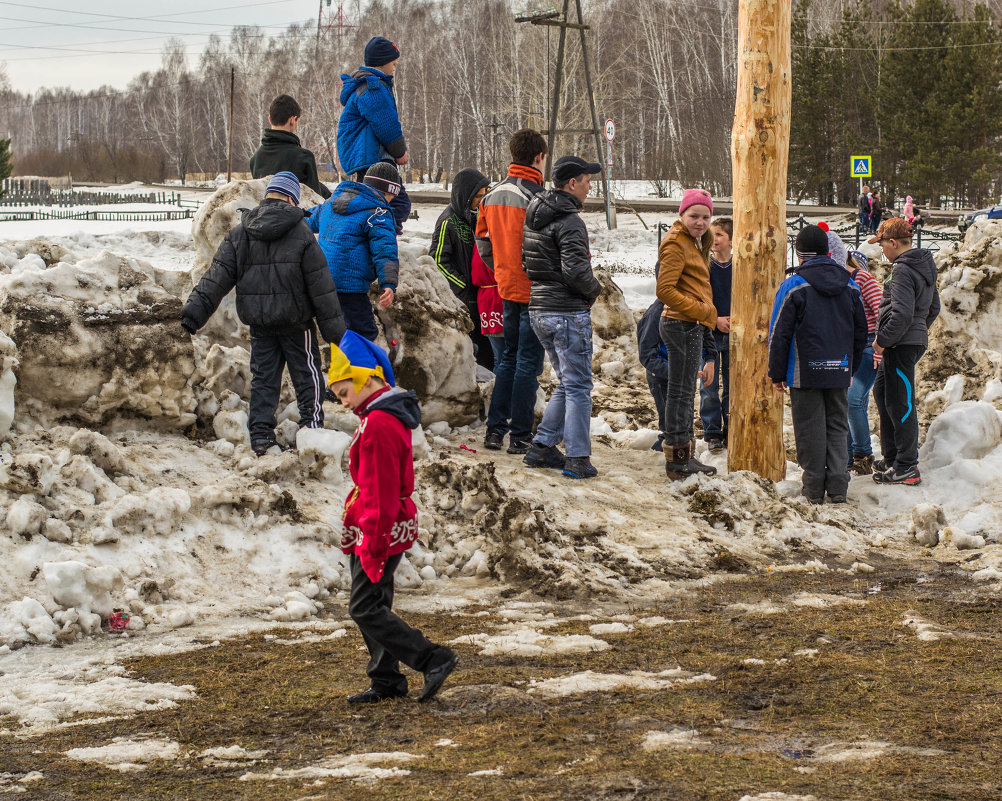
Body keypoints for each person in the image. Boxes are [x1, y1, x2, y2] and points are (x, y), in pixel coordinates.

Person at [328, 331, 458, 704]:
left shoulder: (380, 425)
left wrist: (374, 542)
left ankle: (433, 658)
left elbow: (381, 492)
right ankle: (386, 680)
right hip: (375, 522)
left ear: (365, 378)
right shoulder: (379, 417)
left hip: (379, 524)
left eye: (344, 392)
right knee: (374, 604)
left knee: (364, 607)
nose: (343, 402)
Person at [181, 172, 345, 456]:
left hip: (260, 324)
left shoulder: (240, 234)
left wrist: (190, 317)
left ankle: (260, 436)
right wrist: (337, 337)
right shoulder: (301, 232)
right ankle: (312, 428)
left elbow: (215, 280)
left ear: (267, 196)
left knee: (264, 380)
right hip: (297, 324)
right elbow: (322, 288)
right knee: (307, 375)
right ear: (293, 199)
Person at [768, 224, 867, 504]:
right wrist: (851, 366)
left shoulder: (793, 286)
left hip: (804, 372)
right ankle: (838, 487)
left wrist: (776, 373)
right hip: (840, 369)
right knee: (837, 425)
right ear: (827, 251)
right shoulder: (850, 284)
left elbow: (779, 333)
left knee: (809, 427)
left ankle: (813, 488)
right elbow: (861, 331)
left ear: (799, 255)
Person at [521, 155, 603, 479]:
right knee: (579, 385)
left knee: (568, 383)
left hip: (539, 309)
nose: (590, 185)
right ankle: (578, 458)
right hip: (567, 312)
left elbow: (525, 264)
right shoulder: (570, 221)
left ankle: (542, 447)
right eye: (586, 180)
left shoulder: (535, 215)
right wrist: (594, 291)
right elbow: (576, 272)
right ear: (572, 184)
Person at [477, 129, 547, 454]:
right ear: (539, 158)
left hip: (506, 286)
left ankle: (495, 431)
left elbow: (482, 242)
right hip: (533, 290)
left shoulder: (490, 195)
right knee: (528, 363)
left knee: (507, 358)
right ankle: (520, 435)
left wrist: (501, 269)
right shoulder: (536, 197)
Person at [869, 218, 941, 485]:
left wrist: (882, 341)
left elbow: (900, 314)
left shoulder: (901, 269)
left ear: (894, 243)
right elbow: (933, 308)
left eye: (883, 245)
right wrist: (919, 331)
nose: (881, 252)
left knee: (901, 401)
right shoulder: (922, 266)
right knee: (883, 392)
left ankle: (907, 465)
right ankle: (893, 457)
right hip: (909, 340)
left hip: (899, 343)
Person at [657, 188, 719, 480]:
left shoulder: (693, 243)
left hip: (689, 323)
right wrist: (702, 311)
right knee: (680, 393)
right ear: (681, 215)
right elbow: (664, 290)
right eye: (694, 215)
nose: (701, 221)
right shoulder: (675, 243)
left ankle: (683, 456)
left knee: (683, 393)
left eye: (706, 217)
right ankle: (678, 459)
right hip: (681, 323)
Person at [306, 162, 401, 342]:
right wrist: (388, 283)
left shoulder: (329, 204)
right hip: (351, 286)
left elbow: (305, 219)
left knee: (337, 333)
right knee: (364, 334)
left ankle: (342, 365)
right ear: (389, 192)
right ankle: (359, 369)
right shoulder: (378, 212)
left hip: (323, 281)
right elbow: (385, 250)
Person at [337, 36, 412, 235]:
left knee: (379, 202)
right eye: (393, 63)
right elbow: (386, 124)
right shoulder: (373, 88)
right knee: (398, 202)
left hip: (367, 158)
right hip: (373, 158)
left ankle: (377, 236)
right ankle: (380, 237)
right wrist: (400, 151)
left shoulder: (368, 86)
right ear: (383, 62)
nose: (395, 67)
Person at [430, 167, 491, 368]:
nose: (480, 201)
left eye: (483, 196)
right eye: (477, 196)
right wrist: (463, 285)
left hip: (480, 296)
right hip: (462, 298)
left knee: (486, 349)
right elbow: (438, 260)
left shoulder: (476, 216)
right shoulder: (448, 221)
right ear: (465, 195)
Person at [844, 249, 883, 475]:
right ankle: (848, 455)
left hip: (870, 344)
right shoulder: (843, 281)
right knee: (848, 399)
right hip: (853, 346)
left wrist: (880, 345)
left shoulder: (862, 278)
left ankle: (862, 455)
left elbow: (882, 311)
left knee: (852, 398)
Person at [249, 94, 331, 200]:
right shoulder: (304, 157)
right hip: (294, 215)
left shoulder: (255, 159)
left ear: (269, 119)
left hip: (263, 214)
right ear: (292, 120)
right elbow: (315, 200)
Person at [699, 217, 732, 452]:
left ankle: (732, 428)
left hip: (734, 332)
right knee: (709, 386)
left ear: (731, 239)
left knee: (733, 385)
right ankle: (712, 431)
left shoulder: (739, 266)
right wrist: (715, 320)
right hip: (709, 331)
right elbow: (700, 300)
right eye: (712, 234)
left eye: (720, 234)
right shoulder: (705, 266)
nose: (715, 239)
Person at [471, 245, 505, 368]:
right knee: (503, 357)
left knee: (500, 356)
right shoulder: (496, 241)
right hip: (498, 297)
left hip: (485, 299)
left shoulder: (479, 243)